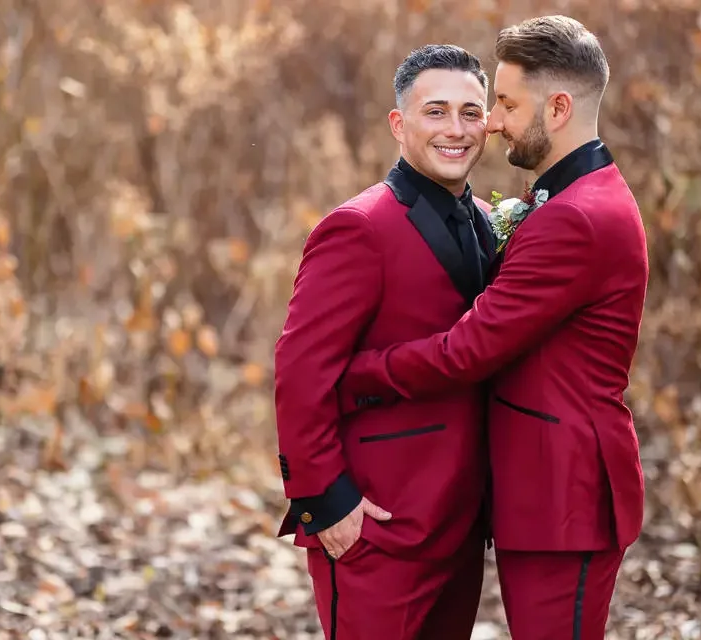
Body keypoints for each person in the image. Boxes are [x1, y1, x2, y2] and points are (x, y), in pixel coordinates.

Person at [336, 15, 650, 640]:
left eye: (505, 103)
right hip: (541, 489)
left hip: (565, 490)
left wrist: (361, 372)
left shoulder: (576, 219)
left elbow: (468, 349)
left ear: (558, 108)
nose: (494, 121)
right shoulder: (568, 200)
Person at [273, 44, 497, 639]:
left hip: (461, 520)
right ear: (399, 124)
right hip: (378, 520)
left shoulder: (484, 219)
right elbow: (300, 372)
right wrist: (325, 500)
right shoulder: (358, 228)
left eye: (471, 113)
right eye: (436, 112)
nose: (456, 129)